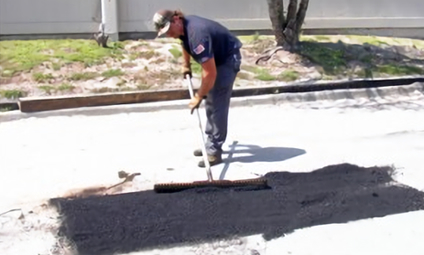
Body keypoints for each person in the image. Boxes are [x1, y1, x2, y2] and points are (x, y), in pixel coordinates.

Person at [153, 9, 242, 167]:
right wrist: (186, 65)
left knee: (217, 104)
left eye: (168, 30)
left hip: (227, 60)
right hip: (217, 58)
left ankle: (215, 150)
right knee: (210, 101)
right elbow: (184, 43)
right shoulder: (184, 29)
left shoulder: (197, 33)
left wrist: (198, 96)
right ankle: (210, 143)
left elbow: (210, 73)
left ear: (176, 20)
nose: (168, 35)